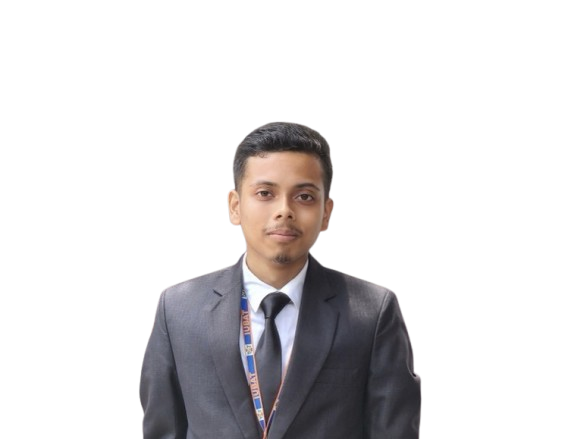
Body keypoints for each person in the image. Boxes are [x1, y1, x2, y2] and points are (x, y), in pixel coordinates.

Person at [139, 121, 422, 439]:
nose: (284, 211)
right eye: (265, 193)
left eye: (304, 196)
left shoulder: (372, 311)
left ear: (326, 212)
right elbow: (161, 429)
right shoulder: (178, 308)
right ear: (235, 206)